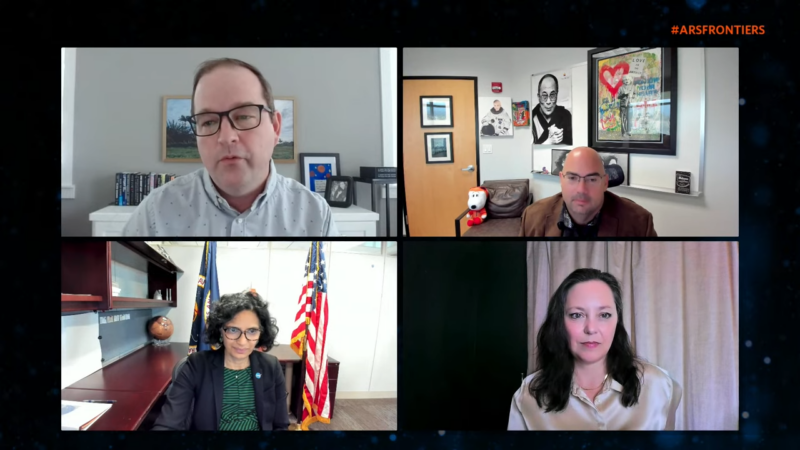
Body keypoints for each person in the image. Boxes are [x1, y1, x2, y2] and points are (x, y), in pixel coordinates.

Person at [123, 58, 339, 236]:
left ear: (275, 127)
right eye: (208, 122)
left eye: (244, 116)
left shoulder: (316, 216)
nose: (226, 137)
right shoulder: (154, 213)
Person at [508, 268, 682, 430]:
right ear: (560, 322)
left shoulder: (660, 385)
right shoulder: (528, 395)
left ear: (617, 321)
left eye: (604, 315)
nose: (591, 328)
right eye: (577, 315)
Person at [152, 290, 289, 430]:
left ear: (261, 333)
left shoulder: (270, 366)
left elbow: (281, 425)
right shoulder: (197, 365)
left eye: (252, 331)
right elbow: (167, 424)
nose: (242, 342)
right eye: (233, 330)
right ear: (220, 331)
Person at [520, 147, 656, 237]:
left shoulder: (639, 223)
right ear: (561, 180)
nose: (581, 189)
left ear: (605, 183)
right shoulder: (532, 217)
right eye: (572, 178)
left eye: (592, 179)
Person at [532, 74, 573, 145]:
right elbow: (529, 150)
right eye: (544, 96)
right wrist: (549, 141)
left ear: (557, 95)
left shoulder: (566, 116)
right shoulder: (532, 118)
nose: (548, 102)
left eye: (552, 95)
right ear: (538, 97)